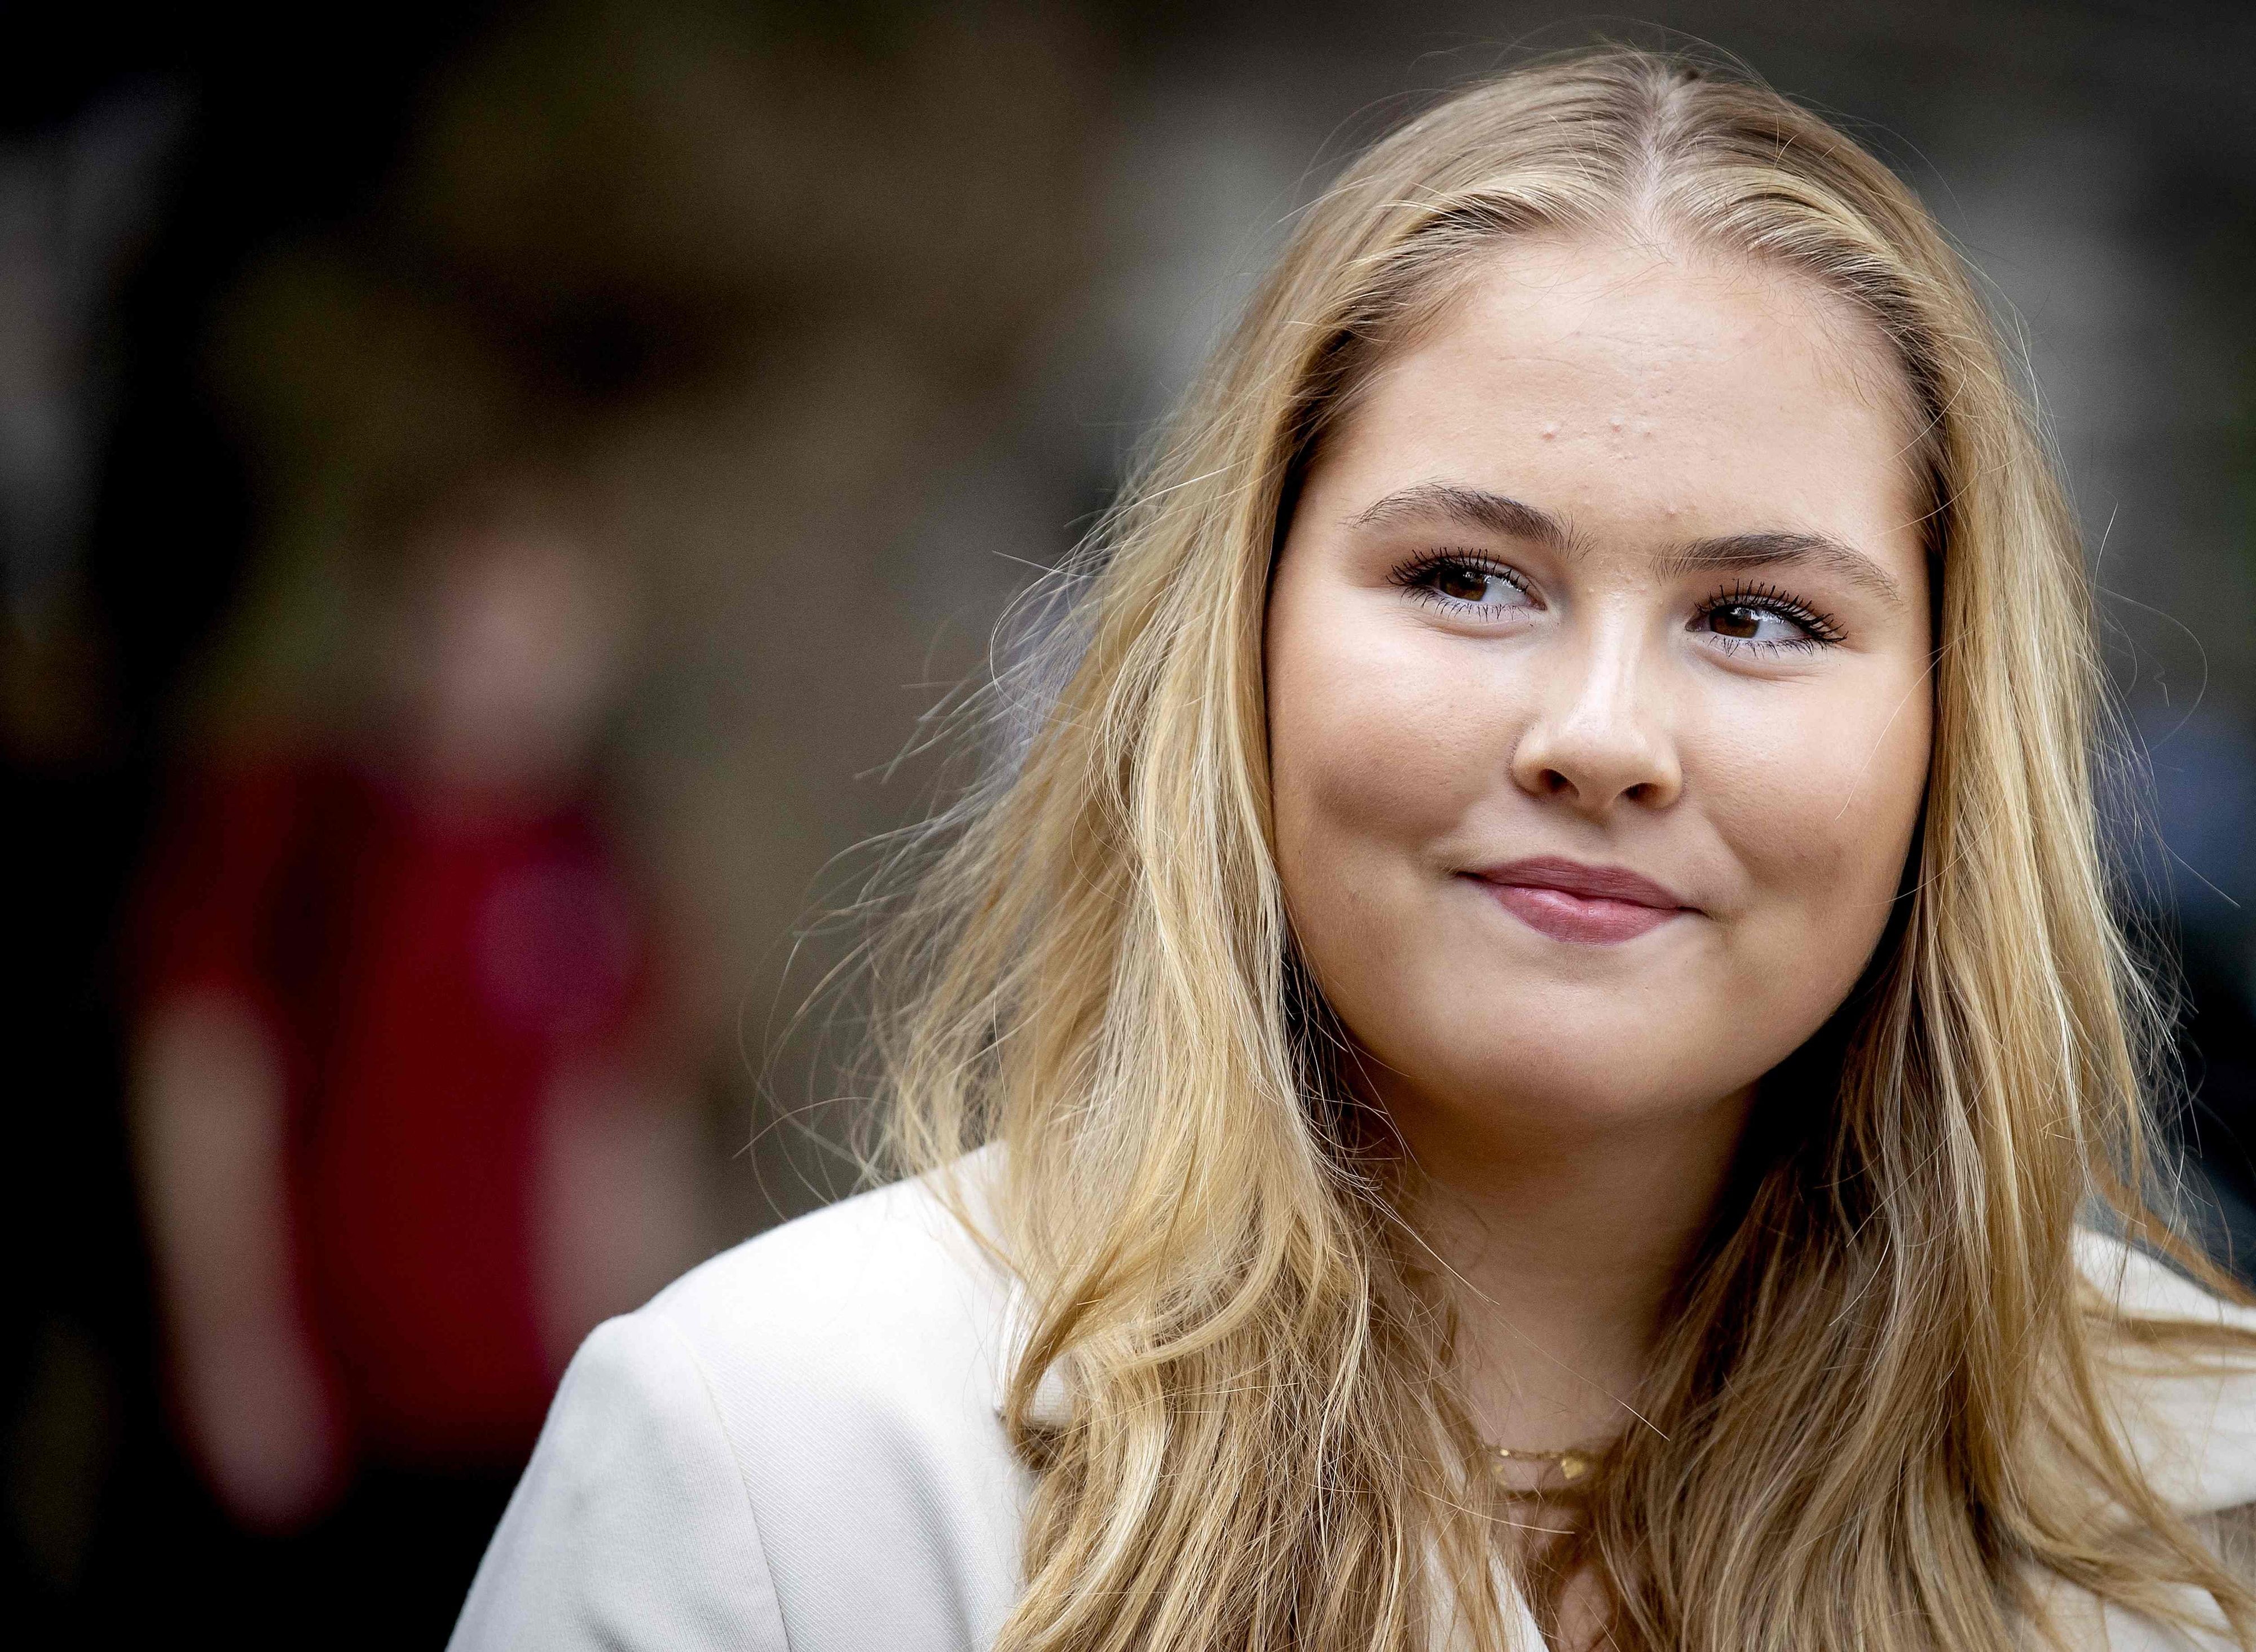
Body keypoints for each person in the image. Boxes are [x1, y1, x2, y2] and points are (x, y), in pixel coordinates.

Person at [449, 49, 2256, 1652]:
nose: (1605, 736)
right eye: (1467, 578)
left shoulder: (2202, 1514)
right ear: (1238, 641)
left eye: (1762, 616)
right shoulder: (781, 1463)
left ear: (1953, 727)